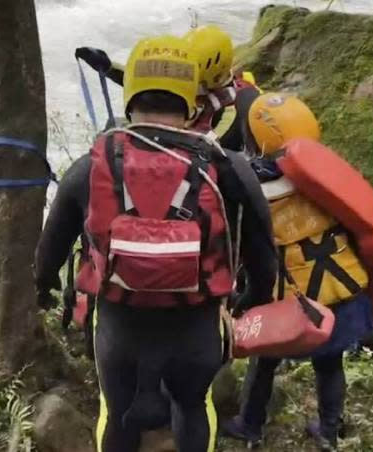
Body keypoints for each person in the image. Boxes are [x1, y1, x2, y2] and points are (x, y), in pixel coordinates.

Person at [36, 35, 277, 452]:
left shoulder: (94, 163)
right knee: (193, 405)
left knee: (117, 413)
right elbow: (263, 256)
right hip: (196, 325)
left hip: (119, 327)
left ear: (129, 98)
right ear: (191, 101)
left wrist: (43, 288)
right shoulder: (227, 165)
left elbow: (51, 249)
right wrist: (248, 300)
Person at [222, 93, 373, 451]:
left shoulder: (255, 193)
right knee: (330, 363)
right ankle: (328, 430)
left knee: (264, 362)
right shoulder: (328, 181)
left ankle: (249, 426)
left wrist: (240, 302)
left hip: (291, 303)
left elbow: (250, 259)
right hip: (343, 293)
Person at [75, 25, 259, 146]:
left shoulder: (232, 109)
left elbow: (209, 147)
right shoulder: (205, 81)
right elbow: (154, 83)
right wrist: (108, 68)